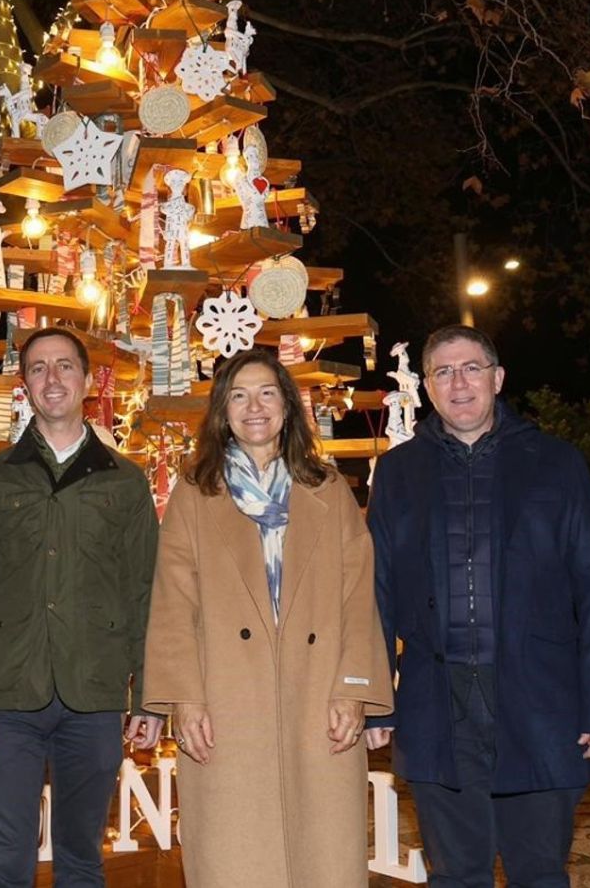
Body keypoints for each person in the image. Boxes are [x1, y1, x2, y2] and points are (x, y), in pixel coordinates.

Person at [368, 325, 590, 888]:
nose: (458, 383)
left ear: (497, 378)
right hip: (437, 709)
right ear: (428, 387)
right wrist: (375, 701)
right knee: (457, 875)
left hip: (540, 706)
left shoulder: (557, 464)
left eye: (470, 368)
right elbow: (376, 595)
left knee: (539, 873)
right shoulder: (397, 473)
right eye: (442, 371)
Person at [142, 348, 392, 888]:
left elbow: (357, 598)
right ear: (222, 412)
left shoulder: (328, 491)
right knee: (236, 861)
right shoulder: (194, 493)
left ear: (287, 408)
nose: (253, 406)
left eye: (267, 393)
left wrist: (354, 691)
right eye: (238, 395)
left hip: (319, 702)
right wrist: (184, 698)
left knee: (323, 857)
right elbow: (172, 602)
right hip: (225, 709)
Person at [0, 327, 162, 888]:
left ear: (88, 382)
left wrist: (151, 696)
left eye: (65, 366)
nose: (52, 377)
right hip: (8, 701)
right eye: (38, 368)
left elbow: (146, 594)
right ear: (26, 386)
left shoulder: (125, 483)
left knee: (82, 856)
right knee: (6, 861)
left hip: (94, 698)